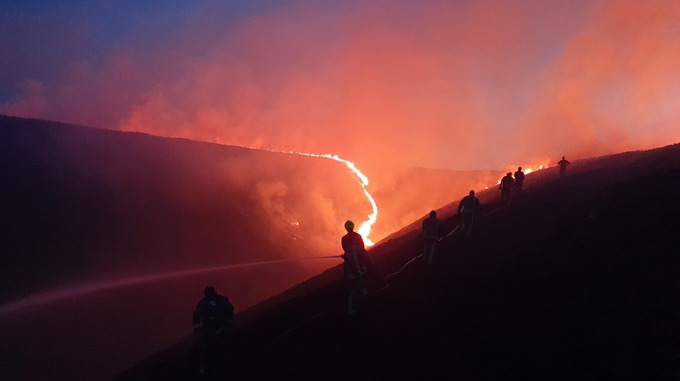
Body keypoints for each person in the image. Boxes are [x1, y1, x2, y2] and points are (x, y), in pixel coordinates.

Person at [192, 286, 234, 375]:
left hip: (213, 329)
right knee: (216, 350)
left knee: (208, 351)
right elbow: (230, 310)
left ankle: (204, 371)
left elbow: (196, 316)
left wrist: (197, 329)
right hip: (217, 328)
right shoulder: (222, 299)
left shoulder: (202, 303)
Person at [341, 220, 369, 314]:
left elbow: (345, 249)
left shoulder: (344, 239)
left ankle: (353, 308)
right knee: (361, 282)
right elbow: (362, 248)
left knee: (353, 288)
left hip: (350, 268)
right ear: (353, 226)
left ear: (346, 228)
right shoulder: (357, 236)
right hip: (359, 267)